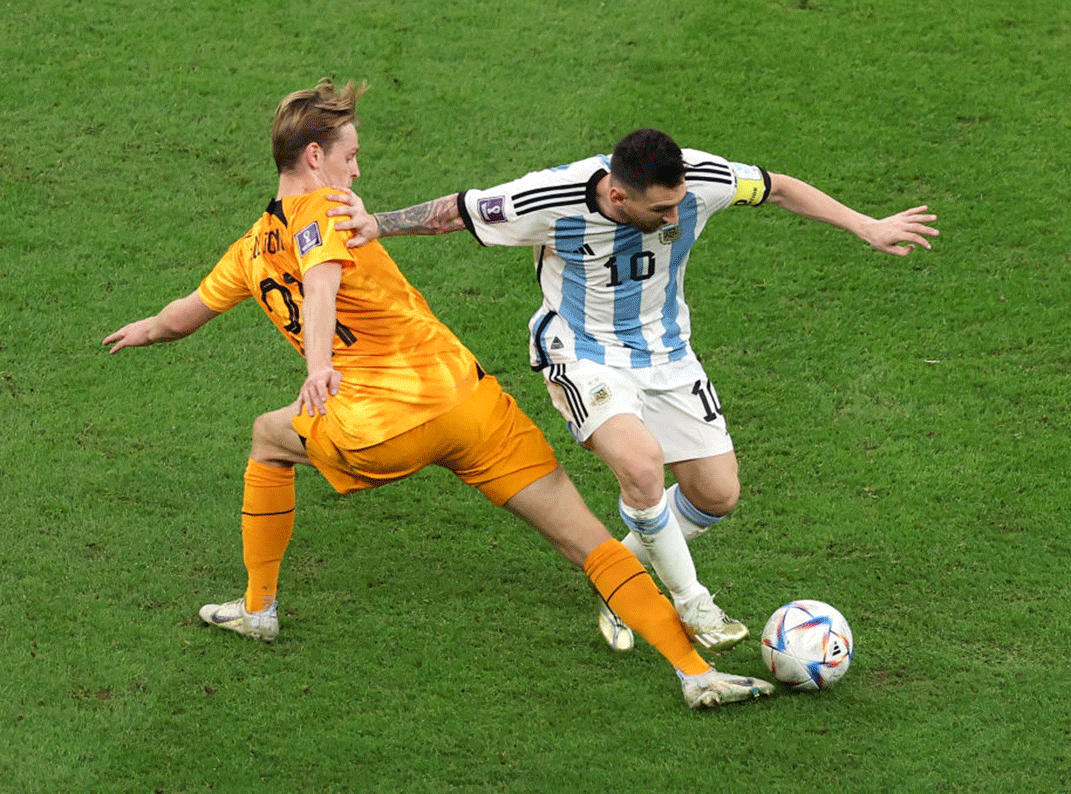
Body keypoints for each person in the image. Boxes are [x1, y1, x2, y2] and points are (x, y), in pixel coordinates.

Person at [102, 81, 772, 710]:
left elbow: (186, 315)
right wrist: (314, 362)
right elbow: (323, 272)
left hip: (385, 424)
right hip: (474, 406)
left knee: (268, 436)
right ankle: (696, 672)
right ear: (314, 157)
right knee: (594, 545)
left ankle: (258, 608)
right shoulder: (326, 214)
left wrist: (144, 331)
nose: (357, 173)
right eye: (351, 156)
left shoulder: (247, 252)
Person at [327, 129, 939, 653]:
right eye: (661, 209)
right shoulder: (548, 198)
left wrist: (866, 225)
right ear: (618, 194)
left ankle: (618, 577)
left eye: (679, 205)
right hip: (582, 351)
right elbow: (461, 211)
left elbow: (775, 186)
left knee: (717, 495)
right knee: (642, 466)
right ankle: (693, 603)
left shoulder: (699, 179)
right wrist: (378, 223)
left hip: (668, 355)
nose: (676, 217)